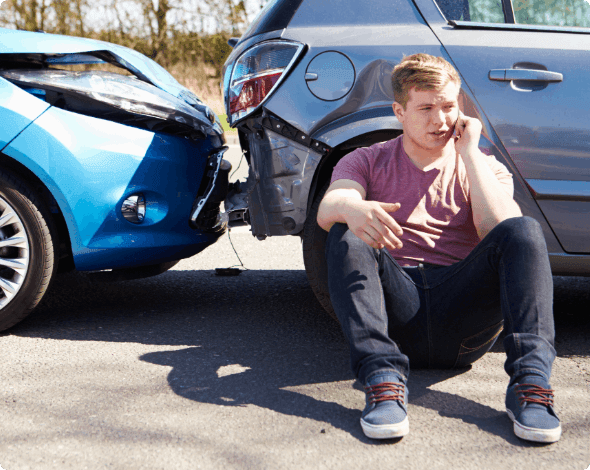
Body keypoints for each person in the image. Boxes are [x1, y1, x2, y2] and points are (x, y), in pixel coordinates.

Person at [317, 53, 560, 443]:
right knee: (345, 231)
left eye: (448, 106)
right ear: (399, 111)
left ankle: (530, 389)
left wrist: (468, 154)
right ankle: (382, 381)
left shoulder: (486, 166)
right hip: (397, 316)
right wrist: (354, 207)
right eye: (426, 108)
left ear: (461, 108)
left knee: (525, 231)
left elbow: (502, 229)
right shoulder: (366, 159)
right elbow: (329, 208)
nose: (440, 120)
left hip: (465, 324)